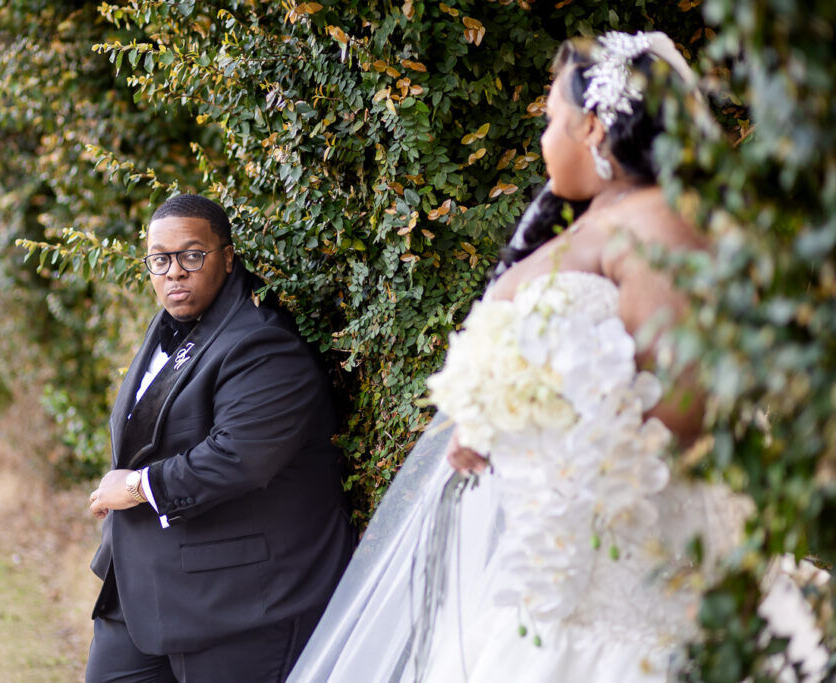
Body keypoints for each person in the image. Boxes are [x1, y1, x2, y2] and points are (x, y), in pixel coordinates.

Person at [287, 31, 817, 682]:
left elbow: (689, 398)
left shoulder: (655, 223)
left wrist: (531, 431)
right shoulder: (586, 224)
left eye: (549, 120)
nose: (543, 138)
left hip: (634, 582)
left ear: (593, 128)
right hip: (558, 573)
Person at [85, 194, 354, 683]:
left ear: (227, 258)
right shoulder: (172, 325)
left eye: (192, 255)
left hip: (238, 601)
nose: (174, 272)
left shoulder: (263, 343)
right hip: (144, 591)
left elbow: (240, 457)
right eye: (159, 260)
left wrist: (135, 487)